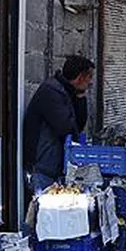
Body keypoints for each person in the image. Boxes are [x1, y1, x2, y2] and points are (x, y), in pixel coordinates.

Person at [23, 55, 94, 195]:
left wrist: (80, 95)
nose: (91, 82)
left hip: (54, 167)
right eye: (89, 77)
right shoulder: (51, 92)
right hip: (42, 168)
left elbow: (78, 126)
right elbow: (66, 128)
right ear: (80, 77)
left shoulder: (67, 91)